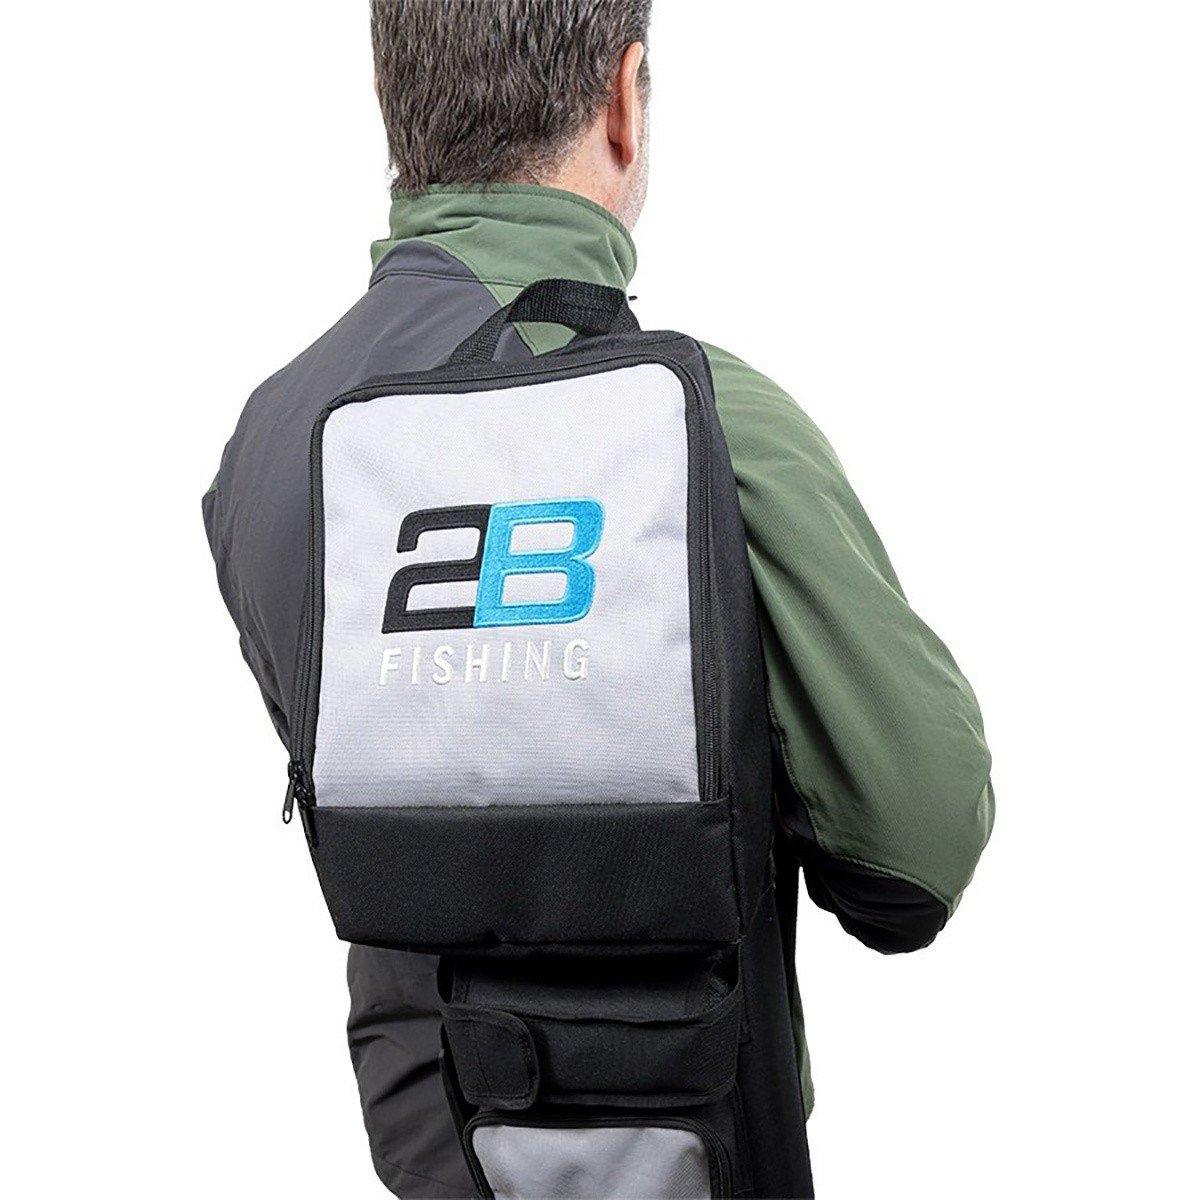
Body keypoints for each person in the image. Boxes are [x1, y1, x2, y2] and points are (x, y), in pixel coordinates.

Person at [203, 2, 994, 1195]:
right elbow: (917, 855)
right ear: (626, 97)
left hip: (427, 1151)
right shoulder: (707, 423)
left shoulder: (270, 445)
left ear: (389, 100)